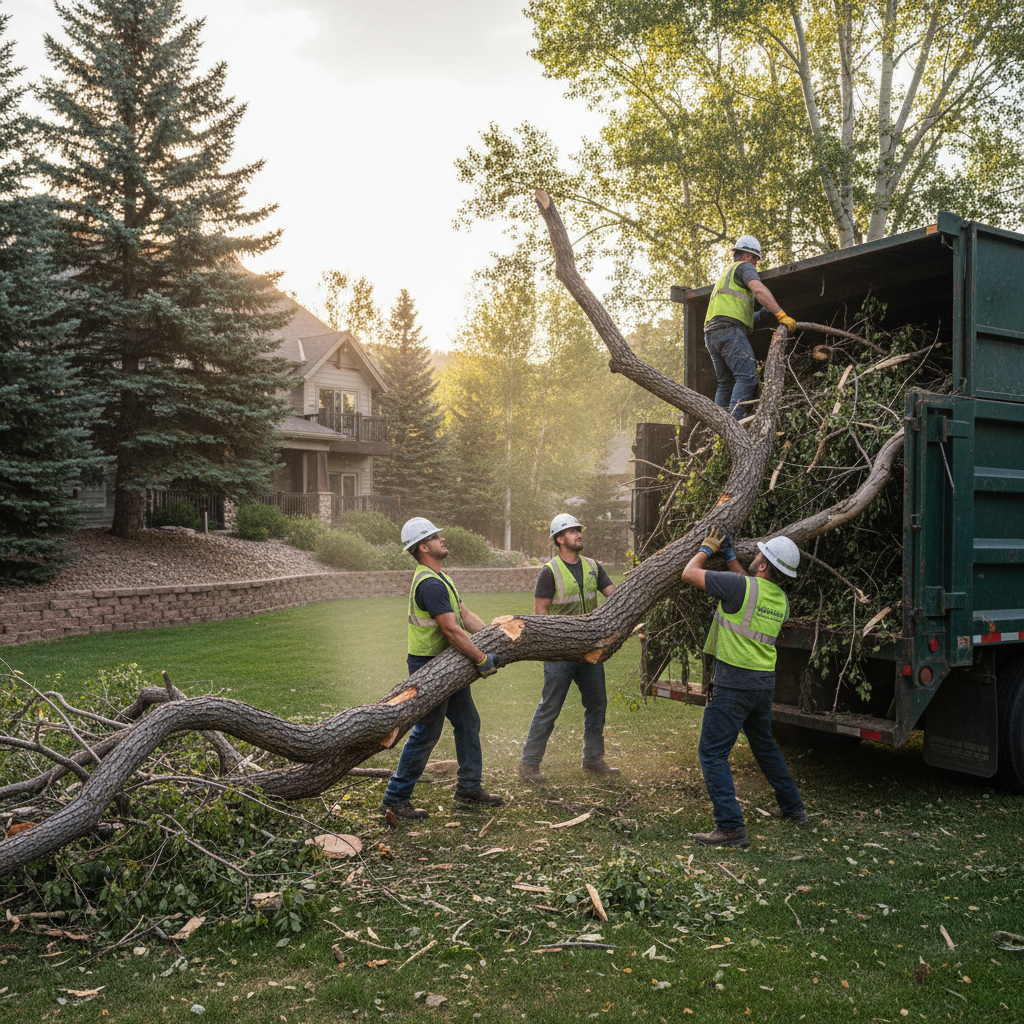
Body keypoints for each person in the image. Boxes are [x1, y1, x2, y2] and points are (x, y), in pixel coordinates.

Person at [680, 528, 807, 847]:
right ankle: (794, 809)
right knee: (765, 745)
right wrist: (733, 557)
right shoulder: (780, 599)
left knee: (711, 752)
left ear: (764, 565)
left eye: (759, 555)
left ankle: (730, 826)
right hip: (762, 685)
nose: (756, 557)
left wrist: (707, 548)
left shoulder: (740, 587)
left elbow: (689, 573)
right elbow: (748, 589)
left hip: (734, 685)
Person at [380, 517, 505, 820]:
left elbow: (463, 614)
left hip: (448, 663)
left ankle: (469, 787)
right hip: (429, 667)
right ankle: (395, 799)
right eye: (436, 537)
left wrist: (494, 636)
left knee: (467, 722)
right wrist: (480, 659)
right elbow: (450, 630)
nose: (442, 540)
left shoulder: (440, 577)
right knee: (427, 731)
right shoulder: (430, 583)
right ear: (423, 547)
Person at [518, 513, 620, 784]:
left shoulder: (593, 566)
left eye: (579, 529)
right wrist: (556, 643)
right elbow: (541, 615)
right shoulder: (549, 571)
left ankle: (594, 759)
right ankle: (529, 764)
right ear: (560, 539)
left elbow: (616, 597)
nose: (579, 534)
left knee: (597, 704)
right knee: (550, 706)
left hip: (589, 650)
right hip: (559, 651)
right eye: (573, 531)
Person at [704, 235, 797, 420]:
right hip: (728, 330)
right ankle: (734, 429)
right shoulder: (743, 267)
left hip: (711, 333)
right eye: (754, 257)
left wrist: (765, 312)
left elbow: (740, 316)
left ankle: (719, 430)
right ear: (745, 255)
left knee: (725, 383)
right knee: (747, 377)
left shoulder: (726, 275)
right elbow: (759, 289)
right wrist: (781, 314)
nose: (755, 262)